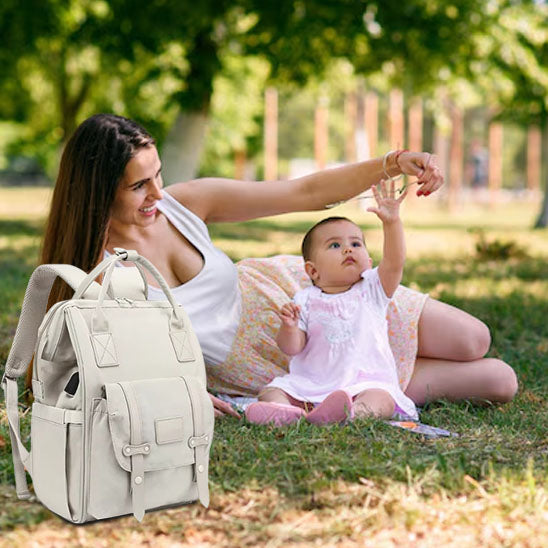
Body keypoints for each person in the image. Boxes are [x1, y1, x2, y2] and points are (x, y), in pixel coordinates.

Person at [38, 114, 518, 418]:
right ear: (98, 190)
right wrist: (169, 395)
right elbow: (82, 368)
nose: (158, 194)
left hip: (309, 293)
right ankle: (367, 388)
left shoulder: (184, 204)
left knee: (473, 338)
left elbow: (303, 193)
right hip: (273, 362)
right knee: (498, 380)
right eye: (139, 186)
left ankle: (375, 381)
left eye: (158, 174)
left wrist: (394, 162)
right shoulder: (95, 275)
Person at [245, 183, 418, 426]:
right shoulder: (304, 300)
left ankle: (353, 413)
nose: (348, 248)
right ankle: (286, 413)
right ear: (313, 270)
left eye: (356, 244)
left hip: (362, 383)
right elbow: (292, 347)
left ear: (368, 262)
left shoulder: (372, 289)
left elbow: (394, 262)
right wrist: (289, 327)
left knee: (382, 399)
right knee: (271, 390)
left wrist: (391, 223)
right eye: (335, 245)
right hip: (310, 384)